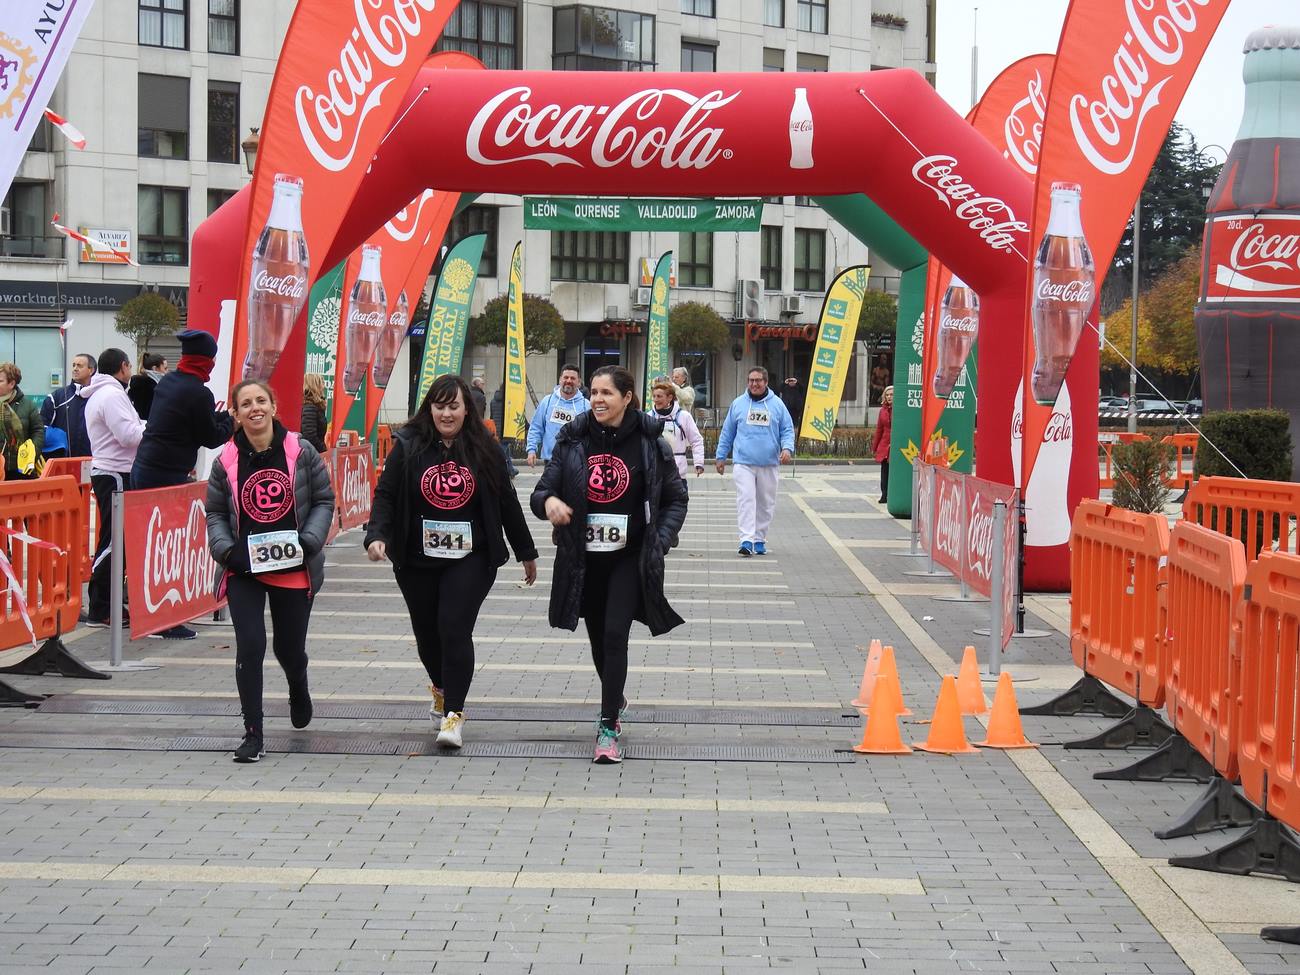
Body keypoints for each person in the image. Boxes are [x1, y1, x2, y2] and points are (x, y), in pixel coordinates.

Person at [365, 375, 538, 748]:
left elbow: (506, 500)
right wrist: (377, 535)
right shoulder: (408, 446)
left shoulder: (484, 449)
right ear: (430, 408)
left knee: (453, 626)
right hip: (416, 555)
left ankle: (453, 715)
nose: (446, 413)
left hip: (471, 556)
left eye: (454, 406)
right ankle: (441, 689)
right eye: (440, 406)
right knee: (427, 634)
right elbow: (386, 494)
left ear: (466, 410)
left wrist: (526, 551)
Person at [532, 366, 688, 764]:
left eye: (606, 393)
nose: (598, 399)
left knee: (616, 633)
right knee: (599, 637)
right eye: (594, 392)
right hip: (584, 560)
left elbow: (675, 498)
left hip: (630, 557)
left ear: (627, 397)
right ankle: (614, 695)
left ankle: (606, 727)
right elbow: (542, 492)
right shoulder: (572, 438)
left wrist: (661, 540)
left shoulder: (651, 442)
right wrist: (549, 502)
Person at [206, 379, 335, 764]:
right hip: (244, 567)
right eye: (246, 404)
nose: (255, 408)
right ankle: (252, 733)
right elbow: (214, 512)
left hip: (293, 565)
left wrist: (310, 541)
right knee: (251, 645)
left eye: (261, 400)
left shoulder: (301, 451)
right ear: (236, 414)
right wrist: (227, 551)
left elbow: (324, 499)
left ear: (274, 406)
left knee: (288, 649)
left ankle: (298, 682)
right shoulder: (225, 461)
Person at [81, 349, 144, 628]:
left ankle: (105, 604)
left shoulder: (101, 394)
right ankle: (101, 606)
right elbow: (128, 435)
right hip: (115, 472)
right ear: (123, 367)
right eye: (129, 365)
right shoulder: (113, 395)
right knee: (114, 541)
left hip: (112, 470)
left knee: (115, 539)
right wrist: (156, 430)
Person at [131, 329, 234, 490]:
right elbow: (210, 437)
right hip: (164, 476)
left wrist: (227, 414)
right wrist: (234, 423)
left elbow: (196, 419)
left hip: (142, 467)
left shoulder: (168, 381)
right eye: (213, 357)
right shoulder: (199, 393)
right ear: (206, 360)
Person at [714, 366, 795, 557]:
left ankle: (759, 539)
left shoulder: (777, 404)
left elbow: (787, 429)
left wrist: (787, 448)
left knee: (766, 502)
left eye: (758, 380)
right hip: (744, 462)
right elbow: (728, 432)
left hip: (769, 463)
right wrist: (721, 456)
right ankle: (746, 540)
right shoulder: (738, 404)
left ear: (766, 382)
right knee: (746, 499)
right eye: (751, 380)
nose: (754, 384)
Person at [526, 364, 589, 467]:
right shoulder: (547, 401)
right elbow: (536, 427)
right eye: (566, 377)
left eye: (573, 378)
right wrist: (531, 450)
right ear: (560, 380)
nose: (569, 380)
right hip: (551, 460)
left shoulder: (586, 406)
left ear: (579, 382)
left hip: (576, 462)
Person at [648, 379, 705, 481]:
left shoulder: (684, 416)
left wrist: (699, 463)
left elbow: (696, 440)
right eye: (654, 396)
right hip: (654, 474)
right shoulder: (649, 417)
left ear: (670, 397)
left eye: (659, 396)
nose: (656, 400)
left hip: (678, 474)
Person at [40, 353, 95, 458]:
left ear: (91, 370)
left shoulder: (100, 396)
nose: (75, 369)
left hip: (93, 463)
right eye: (74, 365)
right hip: (63, 461)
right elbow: (41, 427)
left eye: (80, 366)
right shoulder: (56, 397)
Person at [0, 362, 44, 479]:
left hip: (21, 469)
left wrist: (32, 453)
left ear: (12, 383)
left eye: (0, 381)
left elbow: (38, 431)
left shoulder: (28, 405)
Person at [489, 383, 518, 479]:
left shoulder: (493, 401)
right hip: (506, 429)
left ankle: (511, 470)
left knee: (506, 450)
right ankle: (497, 470)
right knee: (502, 451)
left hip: (496, 428)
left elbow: (492, 416)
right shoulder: (508, 401)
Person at [127, 353, 167, 421]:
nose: (167, 372)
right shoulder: (155, 389)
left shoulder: (137, 385)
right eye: (165, 368)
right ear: (154, 368)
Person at [873, 385, 893, 504]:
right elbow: (879, 429)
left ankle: (892, 494)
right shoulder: (882, 411)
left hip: (896, 445)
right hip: (885, 444)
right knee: (884, 471)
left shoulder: (900, 409)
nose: (889, 397)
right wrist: (875, 447)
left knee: (893, 471)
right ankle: (884, 494)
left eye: (892, 395)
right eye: (887, 395)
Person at [300, 374, 328, 452]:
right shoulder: (309, 407)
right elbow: (310, 436)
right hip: (311, 456)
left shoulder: (314, 406)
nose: (324, 387)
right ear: (315, 386)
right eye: (322, 383)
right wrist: (323, 450)